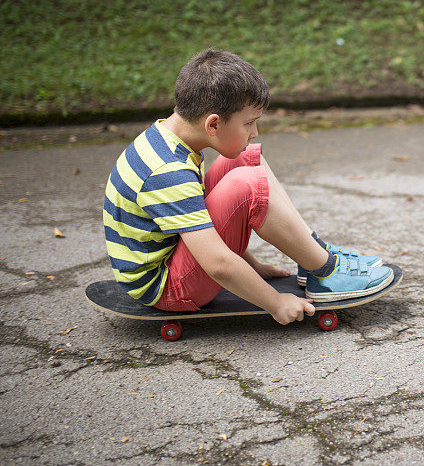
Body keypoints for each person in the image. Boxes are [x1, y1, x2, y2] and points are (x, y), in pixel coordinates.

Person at [103, 48, 393, 325]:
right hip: (168, 289)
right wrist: (275, 303)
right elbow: (217, 263)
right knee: (247, 184)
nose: (255, 132)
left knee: (244, 160)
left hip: (175, 258)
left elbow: (195, 219)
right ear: (213, 125)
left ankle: (313, 258)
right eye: (249, 123)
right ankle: (326, 273)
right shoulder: (168, 172)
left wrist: (253, 265)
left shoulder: (168, 139)